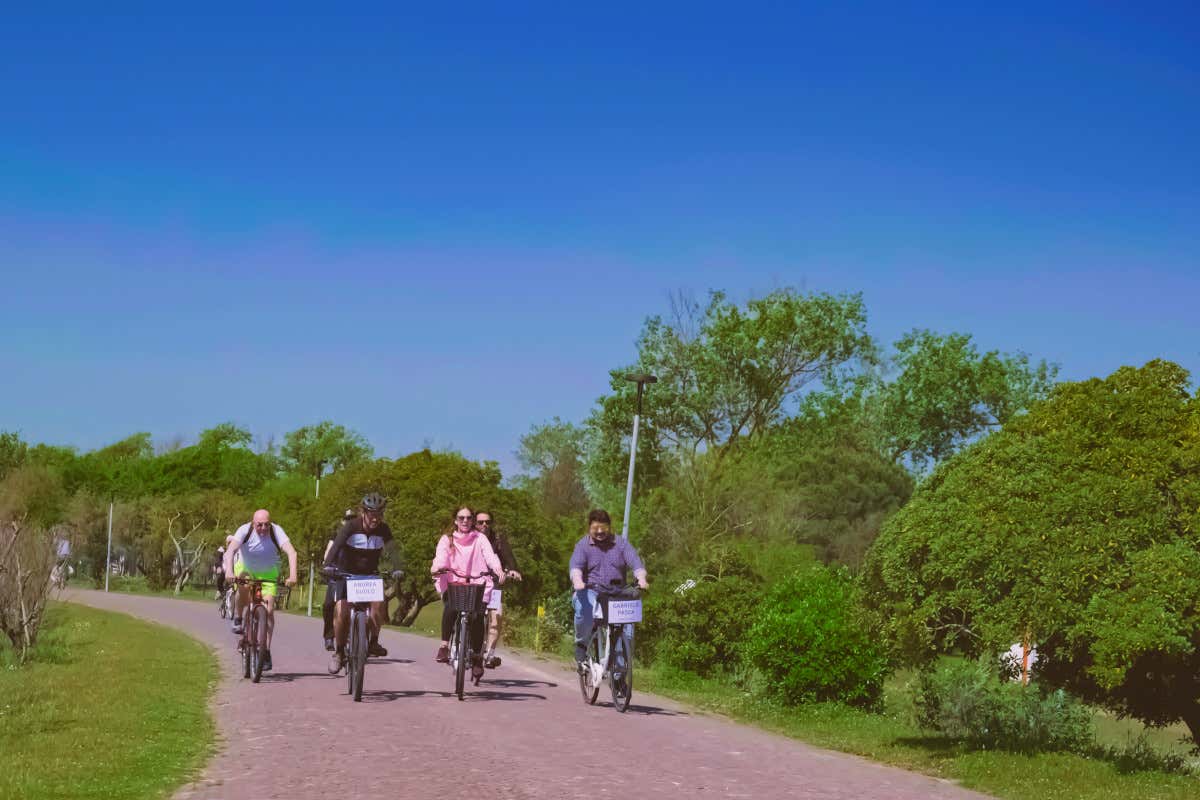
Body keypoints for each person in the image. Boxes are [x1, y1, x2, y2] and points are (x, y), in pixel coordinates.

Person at [323, 493, 398, 674]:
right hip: (346, 575)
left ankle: (373, 642)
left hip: (370, 576)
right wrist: (327, 566)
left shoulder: (384, 529)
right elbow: (335, 547)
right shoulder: (350, 527)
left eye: (379, 514)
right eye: (372, 513)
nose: (375, 518)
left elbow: (394, 551)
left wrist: (398, 567)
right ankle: (339, 653)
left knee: (379, 605)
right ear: (363, 512)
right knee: (341, 611)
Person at [430, 506, 505, 681]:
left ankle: (477, 659)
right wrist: (438, 568)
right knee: (450, 607)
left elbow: (490, 556)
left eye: (469, 518)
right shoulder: (447, 539)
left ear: (472, 520)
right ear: (455, 520)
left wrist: (498, 569)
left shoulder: (480, 538)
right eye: (461, 517)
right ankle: (444, 646)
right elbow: (441, 556)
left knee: (478, 617)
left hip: (476, 583)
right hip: (454, 581)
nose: (465, 521)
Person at [569, 509, 649, 665]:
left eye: (603, 528)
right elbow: (575, 566)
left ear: (609, 527)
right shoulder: (583, 545)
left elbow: (635, 561)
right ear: (589, 528)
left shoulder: (620, 543)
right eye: (595, 529)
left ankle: (619, 677)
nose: (599, 532)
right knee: (584, 607)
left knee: (626, 631)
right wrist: (578, 580)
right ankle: (581, 644)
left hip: (616, 592)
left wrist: (641, 578)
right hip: (590, 590)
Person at [223, 510, 299, 673]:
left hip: (269, 575)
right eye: (259, 525)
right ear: (253, 523)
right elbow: (230, 551)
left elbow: (292, 553)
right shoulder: (245, 530)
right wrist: (229, 571)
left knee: (269, 610)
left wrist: (293, 575)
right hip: (247, 570)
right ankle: (238, 617)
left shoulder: (276, 531)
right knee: (242, 585)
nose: (263, 528)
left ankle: (265, 651)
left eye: (266, 524)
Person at [474, 510, 521, 668]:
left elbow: (508, 557)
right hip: (474, 583)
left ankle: (489, 654)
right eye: (480, 522)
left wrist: (513, 570)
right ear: (475, 523)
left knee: (497, 617)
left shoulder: (498, 539)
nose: (484, 525)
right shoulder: (471, 538)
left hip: (493, 583)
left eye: (487, 522)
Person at [321, 508, 359, 651]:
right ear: (343, 521)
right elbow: (328, 553)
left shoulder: (360, 537)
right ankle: (329, 636)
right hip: (337, 574)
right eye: (348, 519)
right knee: (329, 605)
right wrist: (328, 566)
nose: (350, 522)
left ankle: (363, 638)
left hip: (355, 576)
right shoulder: (335, 536)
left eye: (353, 519)